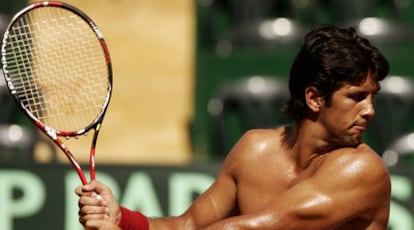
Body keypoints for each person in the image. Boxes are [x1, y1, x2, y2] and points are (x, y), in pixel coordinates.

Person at [76, 24, 391, 229]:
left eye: (372, 97)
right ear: (314, 98)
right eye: (356, 97)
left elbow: (256, 228)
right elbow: (187, 225)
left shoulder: (362, 169)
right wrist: (123, 220)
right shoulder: (255, 149)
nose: (370, 111)